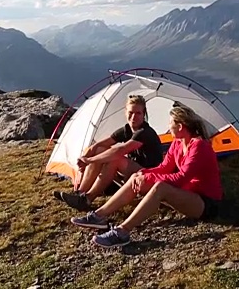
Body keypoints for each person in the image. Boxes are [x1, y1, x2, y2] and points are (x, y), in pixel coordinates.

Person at [69, 104, 223, 248]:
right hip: (187, 193)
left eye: (171, 123)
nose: (168, 127)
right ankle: (98, 216)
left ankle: (122, 232)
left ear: (180, 126)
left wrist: (149, 178)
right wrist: (143, 173)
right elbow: (164, 167)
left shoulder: (199, 146)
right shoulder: (177, 143)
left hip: (205, 203)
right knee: (138, 175)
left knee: (160, 187)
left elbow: (181, 178)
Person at [53, 94, 163, 211]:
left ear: (144, 114)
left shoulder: (144, 132)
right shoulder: (127, 130)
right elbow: (97, 146)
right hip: (134, 171)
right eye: (131, 113)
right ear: (125, 112)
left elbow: (120, 150)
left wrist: (90, 160)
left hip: (150, 175)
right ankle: (79, 193)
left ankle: (87, 199)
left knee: (115, 159)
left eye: (138, 113)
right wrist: (82, 165)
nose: (133, 117)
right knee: (100, 151)